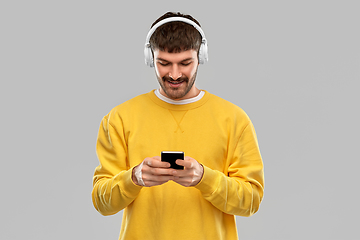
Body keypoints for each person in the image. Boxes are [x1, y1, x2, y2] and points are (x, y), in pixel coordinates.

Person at [92, 11, 264, 240]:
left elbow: (251, 202)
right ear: (149, 58)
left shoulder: (234, 119)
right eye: (163, 63)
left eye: (185, 63)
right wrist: (134, 178)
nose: (174, 74)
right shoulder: (119, 118)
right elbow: (102, 203)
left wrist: (204, 177)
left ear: (201, 56)